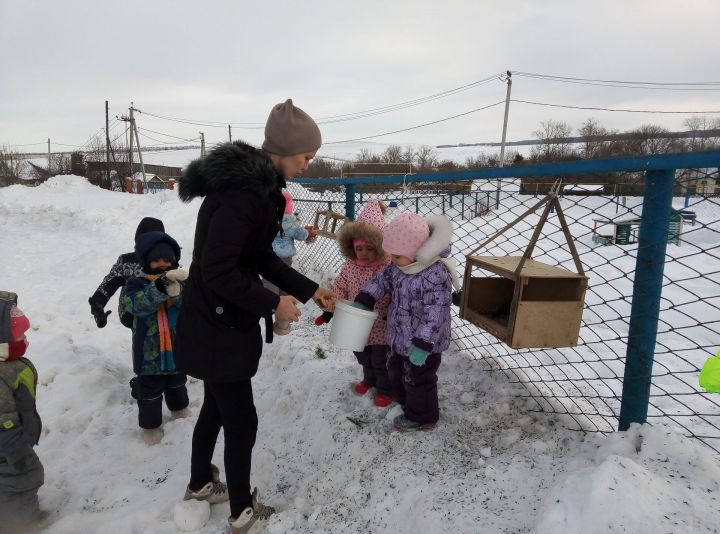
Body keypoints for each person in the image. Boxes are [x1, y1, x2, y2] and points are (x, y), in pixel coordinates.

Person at [174, 99, 337, 534]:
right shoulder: (241, 195)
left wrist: (309, 288)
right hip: (217, 323)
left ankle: (197, 485)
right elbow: (218, 269)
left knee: (215, 405)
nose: (308, 165)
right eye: (306, 157)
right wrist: (272, 303)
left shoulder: (259, 190)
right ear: (283, 150)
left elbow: (260, 256)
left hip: (219, 318)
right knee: (241, 419)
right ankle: (242, 511)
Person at [354, 212, 460, 432]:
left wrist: (423, 344)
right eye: (390, 254)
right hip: (399, 337)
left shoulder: (436, 274)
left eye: (397, 255)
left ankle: (422, 417)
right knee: (396, 371)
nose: (392, 260)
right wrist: (366, 298)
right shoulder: (399, 266)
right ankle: (406, 403)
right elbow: (381, 280)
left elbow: (436, 313)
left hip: (424, 344)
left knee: (418, 379)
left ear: (416, 252)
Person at [315, 200, 394, 407]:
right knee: (362, 355)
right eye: (360, 248)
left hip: (380, 324)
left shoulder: (387, 268)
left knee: (380, 360)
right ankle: (369, 380)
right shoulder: (350, 266)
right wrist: (331, 303)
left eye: (371, 248)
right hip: (355, 324)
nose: (365, 253)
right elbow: (340, 286)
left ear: (380, 247)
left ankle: (386, 389)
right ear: (352, 248)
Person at [121, 231, 191, 445]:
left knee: (177, 382)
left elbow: (189, 306)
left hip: (176, 348)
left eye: (167, 261)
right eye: (156, 260)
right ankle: (151, 427)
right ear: (146, 261)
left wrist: (176, 291)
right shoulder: (135, 283)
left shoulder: (181, 282)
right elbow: (135, 306)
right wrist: (159, 288)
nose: (162, 265)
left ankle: (179, 409)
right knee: (149, 392)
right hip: (149, 353)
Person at [0, 292, 47, 531]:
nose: (25, 339)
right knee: (23, 480)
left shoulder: (7, 365)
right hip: (9, 450)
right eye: (20, 335)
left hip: (11, 445)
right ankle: (18, 524)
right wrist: (18, 452)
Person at [88, 217, 166, 329]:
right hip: (132, 314)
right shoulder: (128, 261)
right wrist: (97, 305)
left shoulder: (167, 260)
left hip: (161, 314)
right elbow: (110, 283)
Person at [266, 191, 314, 336]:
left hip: (268, 257)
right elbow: (300, 234)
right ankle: (282, 325)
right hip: (285, 258)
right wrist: (307, 233)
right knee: (284, 284)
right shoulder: (290, 221)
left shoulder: (268, 218)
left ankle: (269, 303)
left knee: (269, 281)